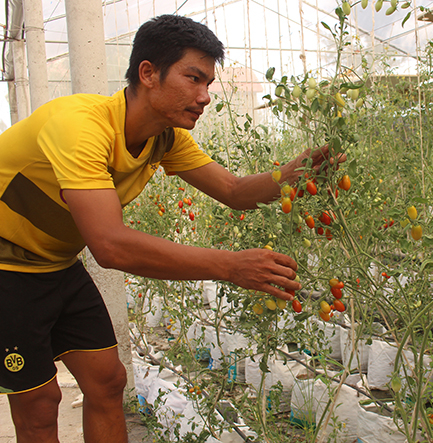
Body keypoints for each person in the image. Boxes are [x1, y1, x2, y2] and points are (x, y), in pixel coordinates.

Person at [0, 14, 341, 442]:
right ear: (148, 73)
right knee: (39, 402)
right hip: (7, 267)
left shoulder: (166, 138)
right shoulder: (80, 127)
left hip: (56, 264)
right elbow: (109, 245)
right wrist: (229, 266)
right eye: (193, 79)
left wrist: (293, 174)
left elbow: (234, 191)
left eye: (208, 85)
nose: (204, 97)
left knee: (107, 381)